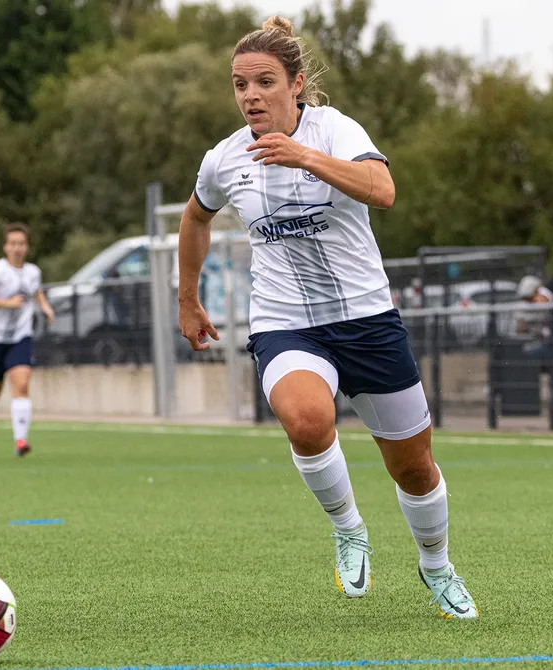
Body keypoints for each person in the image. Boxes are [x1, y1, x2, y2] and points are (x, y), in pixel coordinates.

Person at [177, 17, 477, 618]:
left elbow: (383, 190)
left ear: (295, 84)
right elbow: (196, 218)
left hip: (368, 321)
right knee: (307, 421)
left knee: (414, 467)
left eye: (264, 82)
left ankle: (437, 565)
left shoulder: (333, 130)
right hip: (286, 322)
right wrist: (188, 298)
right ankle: (348, 529)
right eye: (240, 85)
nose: (251, 97)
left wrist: (305, 157)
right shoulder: (224, 159)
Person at [0, 223, 54, 456]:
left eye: (21, 244)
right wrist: (6, 303)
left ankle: (20, 441)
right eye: (13, 243)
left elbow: (35, 290)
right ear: (6, 246)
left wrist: (46, 308)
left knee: (22, 384)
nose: (17, 248)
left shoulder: (32, 272)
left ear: (26, 247)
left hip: (20, 336)